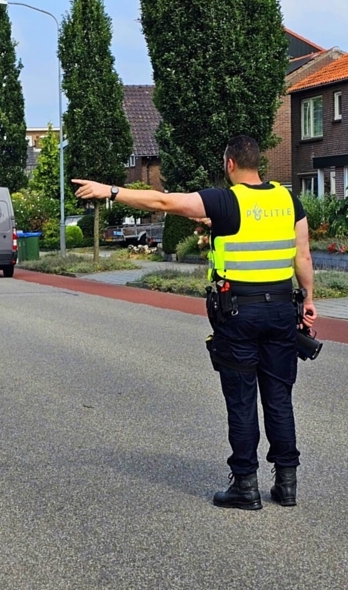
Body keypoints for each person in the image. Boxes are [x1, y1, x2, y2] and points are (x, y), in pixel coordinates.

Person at [73, 134, 316, 510]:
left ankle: (246, 486)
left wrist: (111, 190)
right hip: (283, 310)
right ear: (259, 163)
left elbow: (163, 200)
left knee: (241, 398)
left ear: (230, 164)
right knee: (279, 397)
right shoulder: (287, 199)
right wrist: (310, 300)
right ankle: (287, 485)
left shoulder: (225, 199)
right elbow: (303, 257)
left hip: (238, 313)